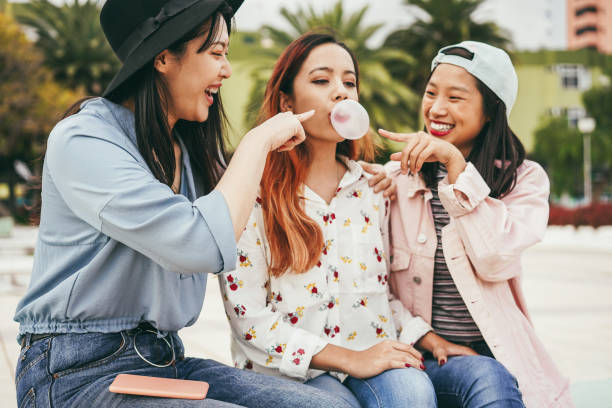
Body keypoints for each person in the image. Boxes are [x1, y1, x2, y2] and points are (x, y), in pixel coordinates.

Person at [12, 1, 360, 407]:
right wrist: (257, 140)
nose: (226, 70)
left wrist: (379, 185)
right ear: (164, 57)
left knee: (329, 405)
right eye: (216, 53)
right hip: (75, 372)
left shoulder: (188, 152)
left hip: (164, 359)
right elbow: (200, 243)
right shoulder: (84, 140)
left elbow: (259, 207)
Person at [219, 32, 438, 408]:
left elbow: (380, 294)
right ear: (286, 101)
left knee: (414, 394)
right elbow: (248, 320)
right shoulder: (252, 194)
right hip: (290, 371)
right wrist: (350, 359)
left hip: (373, 353)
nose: (341, 92)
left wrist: (426, 336)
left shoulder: (373, 190)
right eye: (322, 81)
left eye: (349, 82)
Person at [380, 41, 574, 407]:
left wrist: (456, 169)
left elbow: (494, 257)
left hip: (496, 352)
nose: (437, 108)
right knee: (486, 377)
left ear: (490, 111)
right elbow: (374, 285)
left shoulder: (524, 180)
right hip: (418, 352)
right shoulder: (398, 180)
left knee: (493, 378)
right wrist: (427, 338)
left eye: (456, 97)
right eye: (431, 93)